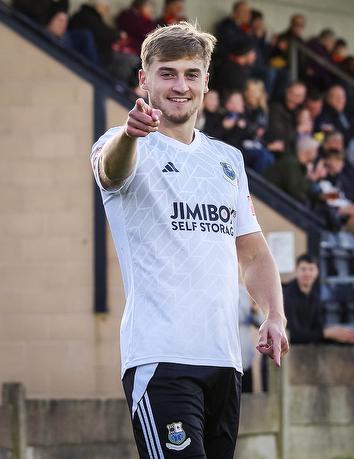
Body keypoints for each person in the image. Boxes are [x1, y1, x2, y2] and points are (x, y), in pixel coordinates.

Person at [90, 22, 288, 458]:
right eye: (168, 73)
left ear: (206, 81)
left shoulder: (227, 159)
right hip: (161, 359)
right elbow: (111, 170)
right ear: (144, 78)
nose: (181, 85)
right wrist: (131, 135)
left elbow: (253, 252)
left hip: (224, 360)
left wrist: (275, 314)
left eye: (191, 74)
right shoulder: (122, 144)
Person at [284, 254, 354, 344]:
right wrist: (327, 333)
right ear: (296, 271)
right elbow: (292, 335)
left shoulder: (314, 297)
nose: (307, 273)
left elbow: (317, 330)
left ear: (317, 272)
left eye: (311, 269)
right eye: (303, 269)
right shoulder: (287, 295)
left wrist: (339, 334)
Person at [264, 136, 320, 204]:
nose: (317, 154)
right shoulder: (291, 163)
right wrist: (311, 179)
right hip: (265, 196)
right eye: (316, 151)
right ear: (309, 151)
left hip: (274, 199)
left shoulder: (302, 167)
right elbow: (295, 191)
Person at [268, 80, 307, 155]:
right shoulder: (276, 108)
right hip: (279, 152)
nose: (292, 98)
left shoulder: (299, 111)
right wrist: (298, 130)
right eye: (291, 93)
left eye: (298, 96)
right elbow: (278, 136)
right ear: (286, 92)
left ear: (302, 99)